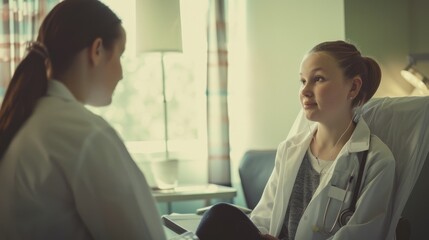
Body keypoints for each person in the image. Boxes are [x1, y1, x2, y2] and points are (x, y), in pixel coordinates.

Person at [195, 40, 395, 240]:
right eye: (303, 81)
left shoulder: (376, 160)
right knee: (218, 216)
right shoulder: (290, 149)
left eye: (318, 79)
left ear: (353, 88)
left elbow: (362, 235)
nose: (305, 91)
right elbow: (264, 217)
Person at [0, 0, 167, 239]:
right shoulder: (87, 135)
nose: (121, 74)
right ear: (97, 50)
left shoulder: (23, 120)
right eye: (120, 55)